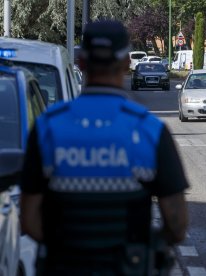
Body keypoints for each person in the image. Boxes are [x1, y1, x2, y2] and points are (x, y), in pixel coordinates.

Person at [20, 20, 189, 275]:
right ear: (126, 64)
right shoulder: (149, 130)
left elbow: (29, 220)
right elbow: (176, 226)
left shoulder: (47, 127)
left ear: (81, 63)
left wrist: (64, 245)